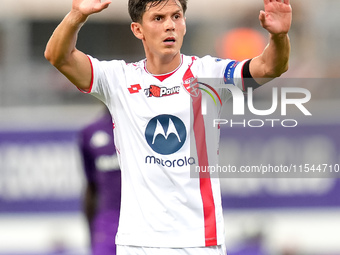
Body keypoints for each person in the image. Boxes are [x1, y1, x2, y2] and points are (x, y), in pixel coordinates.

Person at [45, 0, 292, 254]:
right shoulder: (118, 79)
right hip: (137, 243)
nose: (170, 26)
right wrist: (76, 15)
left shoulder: (210, 74)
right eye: (158, 18)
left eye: (176, 16)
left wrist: (279, 35)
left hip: (199, 241)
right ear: (137, 29)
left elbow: (270, 66)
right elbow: (58, 56)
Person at [78, 109, 121, 255]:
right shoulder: (90, 132)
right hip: (107, 225)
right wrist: (92, 236)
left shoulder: (148, 128)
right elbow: (91, 187)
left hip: (147, 221)